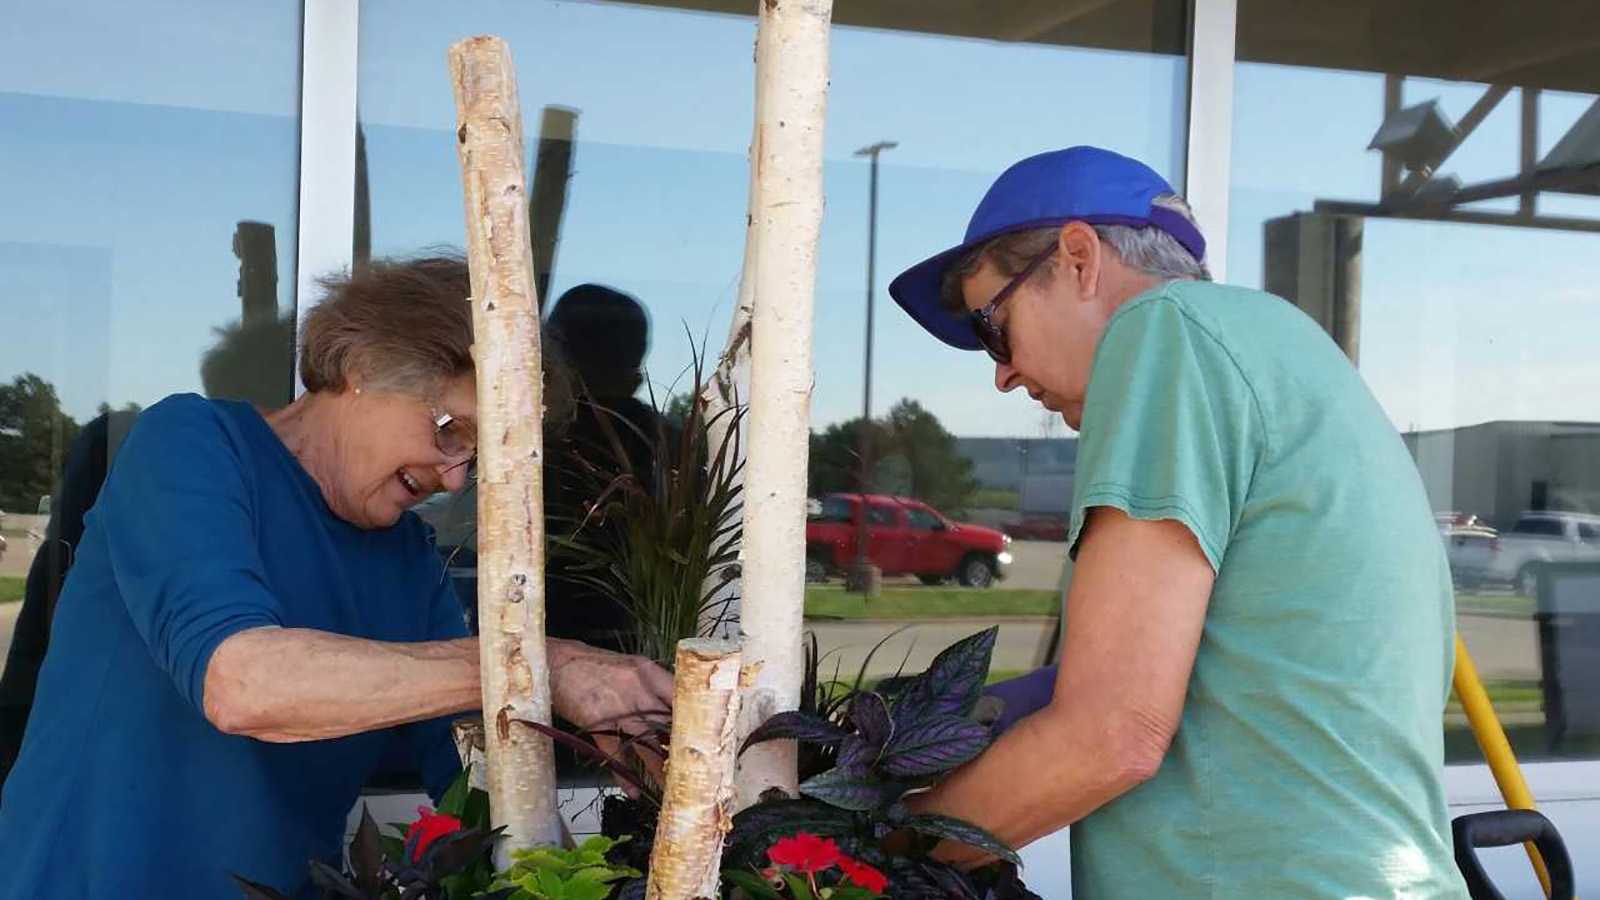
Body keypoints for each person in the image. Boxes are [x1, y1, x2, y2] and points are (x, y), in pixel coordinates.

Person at [888, 148, 1467, 898]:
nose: (1001, 373)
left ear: (1077, 259)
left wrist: (859, 849)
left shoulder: (1164, 332)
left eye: (993, 327)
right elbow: (1210, 674)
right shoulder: (1276, 344)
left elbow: (1110, 736)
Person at [0, 255, 675, 899]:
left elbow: (472, 788)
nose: (456, 477)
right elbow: (240, 683)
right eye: (450, 431)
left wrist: (606, 769)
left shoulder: (412, 563)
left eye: (479, 455)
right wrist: (543, 668)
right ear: (363, 365)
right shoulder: (190, 445)